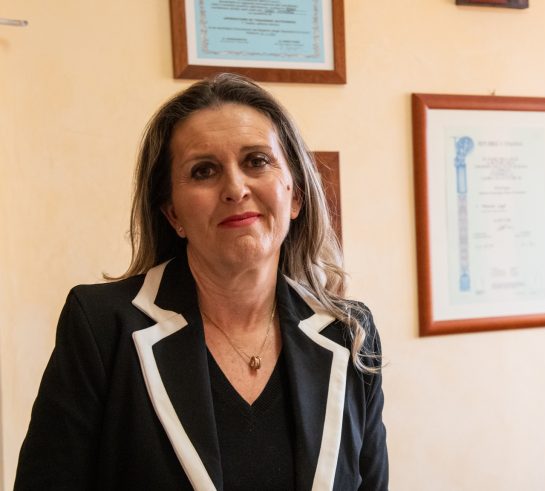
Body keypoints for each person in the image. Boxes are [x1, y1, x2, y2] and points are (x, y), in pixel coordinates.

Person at [15, 73, 388, 490]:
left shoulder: (349, 332)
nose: (235, 188)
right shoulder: (102, 327)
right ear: (173, 213)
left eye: (256, 161)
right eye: (203, 170)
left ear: (295, 195)